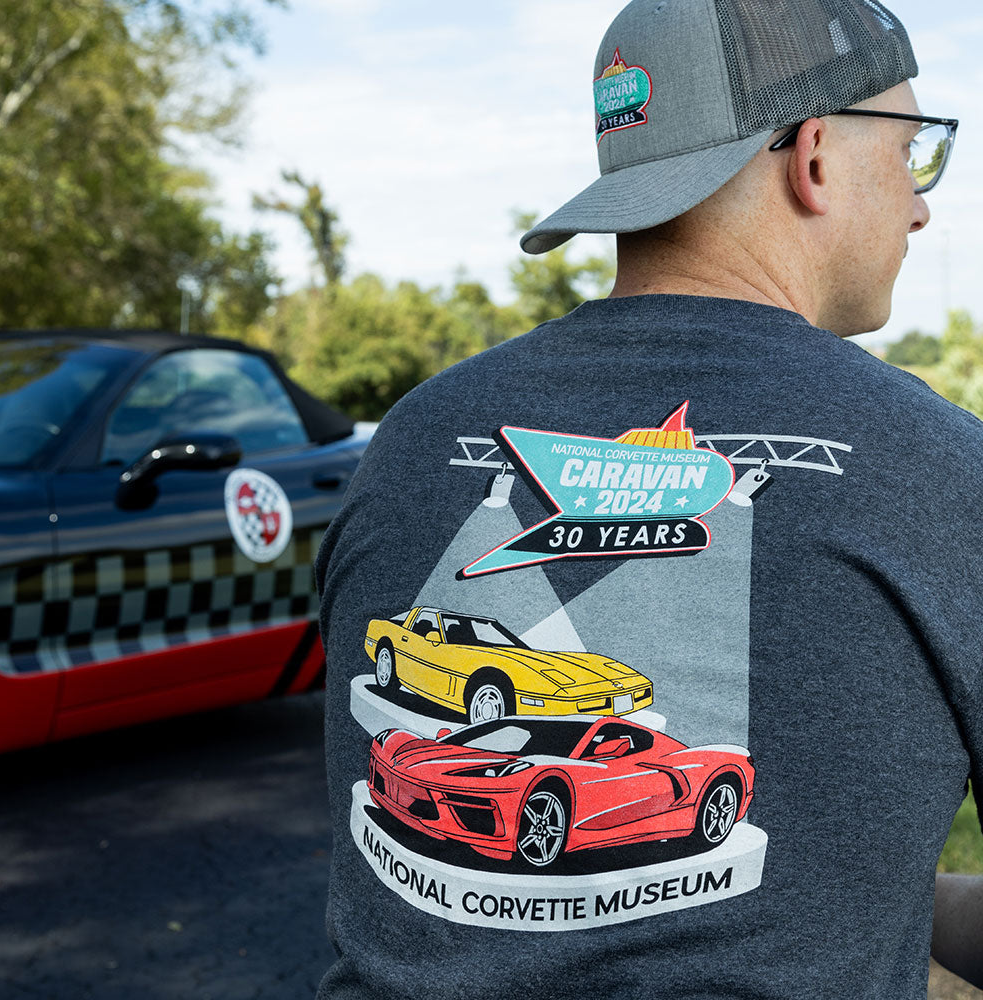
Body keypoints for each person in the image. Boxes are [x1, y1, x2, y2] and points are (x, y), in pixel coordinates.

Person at [315, 1, 983, 997]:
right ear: (813, 157)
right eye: (913, 149)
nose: (921, 203)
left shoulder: (410, 441)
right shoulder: (940, 466)